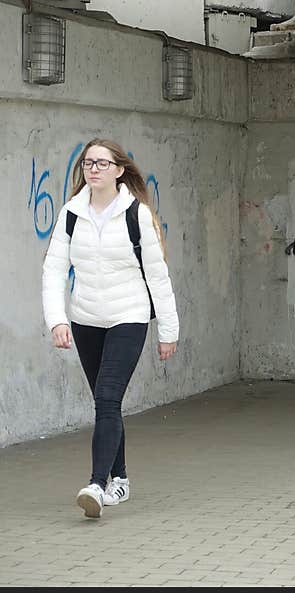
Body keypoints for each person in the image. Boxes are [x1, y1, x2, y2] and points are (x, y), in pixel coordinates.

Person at [42, 138, 180, 519]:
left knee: (106, 397)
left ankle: (97, 485)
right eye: (88, 163)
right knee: (108, 403)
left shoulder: (136, 215)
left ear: (119, 170)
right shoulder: (71, 214)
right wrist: (57, 319)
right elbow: (53, 269)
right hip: (86, 319)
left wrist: (168, 330)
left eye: (102, 163)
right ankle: (120, 477)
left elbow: (157, 275)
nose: (94, 169)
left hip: (128, 317)